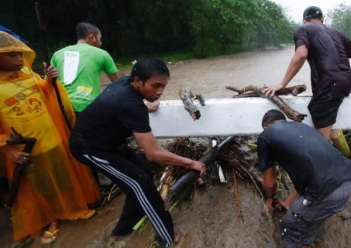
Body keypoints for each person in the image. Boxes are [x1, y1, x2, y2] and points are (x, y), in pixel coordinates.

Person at [69, 57, 206, 247]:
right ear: (137, 81)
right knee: (139, 183)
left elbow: (123, 105)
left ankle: (124, 228)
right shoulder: (131, 105)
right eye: (155, 86)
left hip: (111, 142)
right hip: (89, 148)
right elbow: (153, 154)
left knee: (145, 175)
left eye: (163, 86)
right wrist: (191, 163)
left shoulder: (126, 84)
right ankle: (167, 236)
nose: (159, 92)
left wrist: (146, 105)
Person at [0, 30, 99, 244]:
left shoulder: (28, 74)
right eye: (12, 55)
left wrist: (50, 80)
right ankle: (52, 220)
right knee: (41, 186)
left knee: (63, 177)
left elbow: (46, 92)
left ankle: (74, 207)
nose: (19, 59)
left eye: (20, 54)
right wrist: (6, 147)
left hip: (50, 137)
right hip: (26, 148)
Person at [264, 6, 351, 141]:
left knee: (322, 136)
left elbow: (301, 54)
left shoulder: (302, 29)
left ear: (304, 21)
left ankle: (327, 156)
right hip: (348, 81)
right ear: (322, 19)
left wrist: (282, 83)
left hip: (330, 84)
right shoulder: (335, 32)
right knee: (318, 109)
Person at [257, 109, 351, 248]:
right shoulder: (302, 127)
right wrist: (287, 203)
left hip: (329, 191)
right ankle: (306, 242)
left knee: (290, 224)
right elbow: (308, 174)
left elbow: (270, 183)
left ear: (265, 127)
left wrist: (270, 198)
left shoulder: (265, 136)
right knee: (307, 219)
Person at [51, 22, 119, 116]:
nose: (101, 42)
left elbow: (49, 83)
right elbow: (118, 84)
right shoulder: (102, 54)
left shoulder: (57, 54)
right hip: (86, 106)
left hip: (61, 107)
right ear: (92, 37)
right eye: (100, 38)